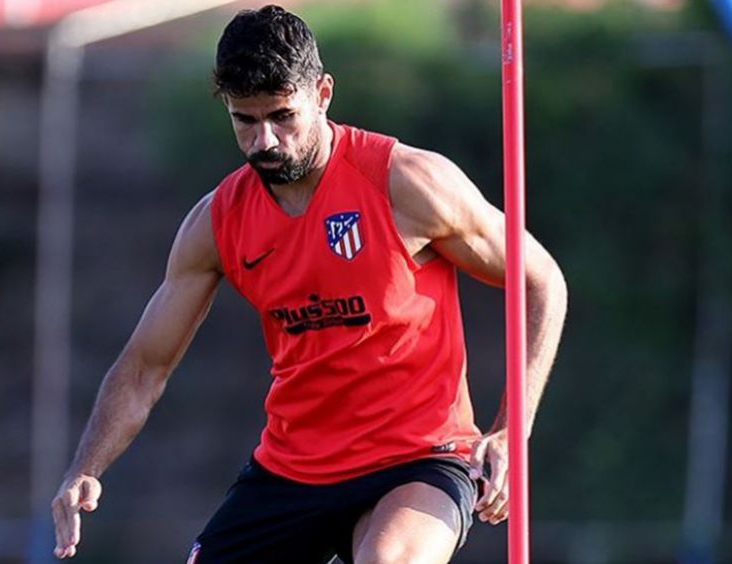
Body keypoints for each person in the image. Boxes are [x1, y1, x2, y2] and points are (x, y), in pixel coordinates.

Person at [51, 5, 567, 563]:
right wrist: (86, 467)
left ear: (322, 93)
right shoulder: (218, 222)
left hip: (420, 458)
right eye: (244, 120)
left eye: (281, 116)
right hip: (292, 472)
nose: (264, 141)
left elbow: (541, 281)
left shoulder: (409, 184)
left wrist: (512, 430)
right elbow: (145, 367)